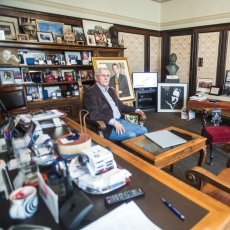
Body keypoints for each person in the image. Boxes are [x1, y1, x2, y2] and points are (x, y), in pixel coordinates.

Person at [83, 67, 147, 141]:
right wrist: (113, 122)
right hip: (106, 126)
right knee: (131, 135)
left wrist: (136, 109)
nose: (106, 78)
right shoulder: (90, 92)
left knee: (143, 130)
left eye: (108, 75)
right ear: (96, 78)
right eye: (103, 75)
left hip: (120, 121)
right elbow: (94, 114)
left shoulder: (111, 90)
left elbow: (121, 106)